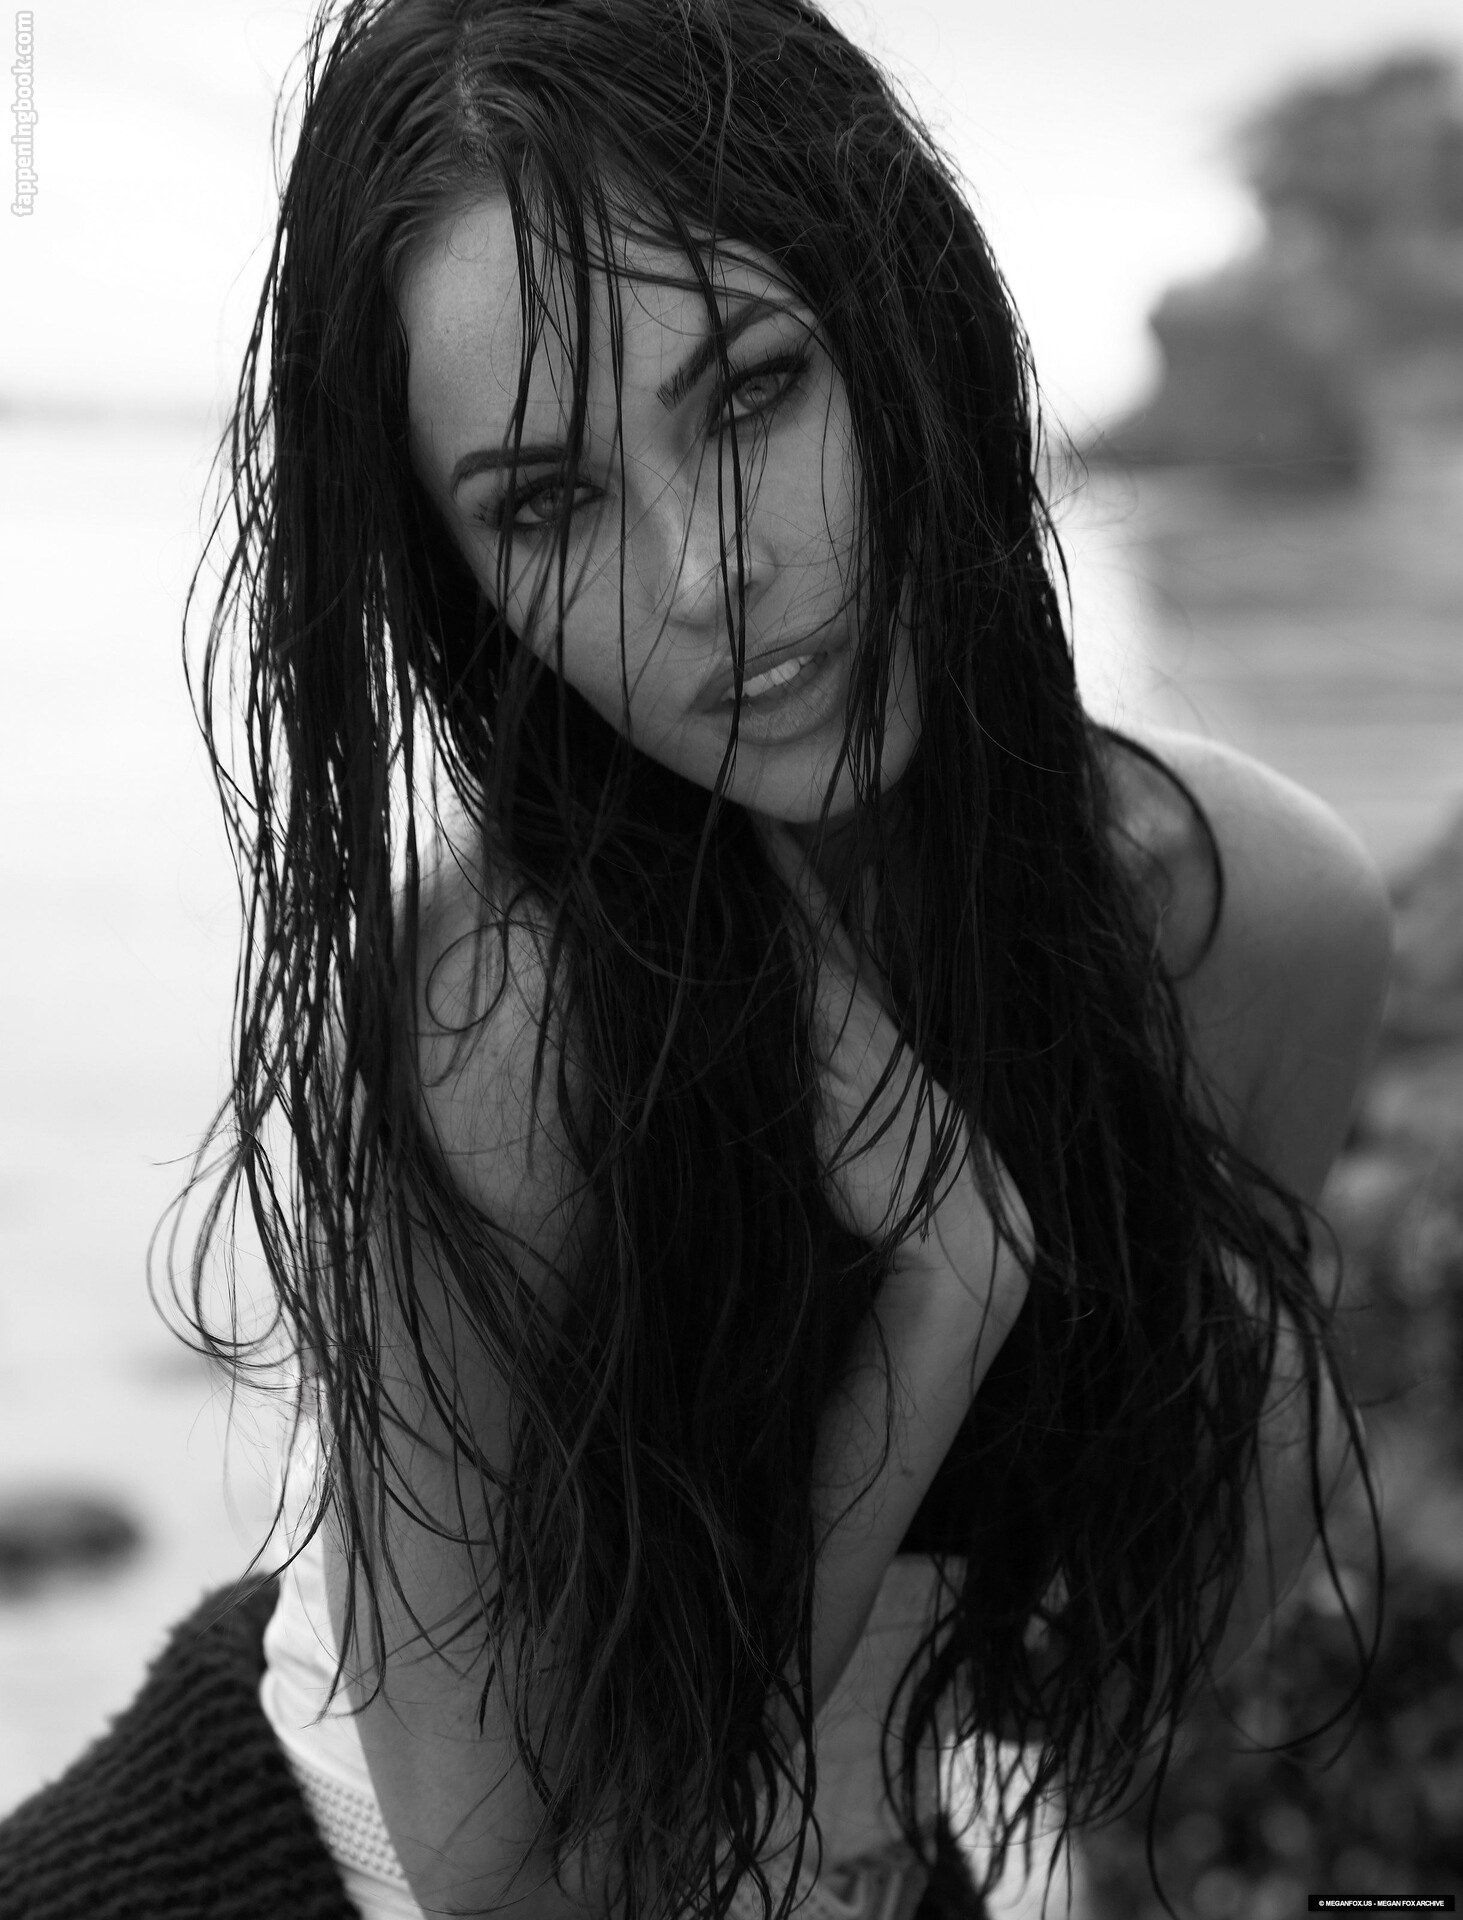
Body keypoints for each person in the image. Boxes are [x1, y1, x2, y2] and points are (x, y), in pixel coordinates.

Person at [0, 2, 1390, 1917]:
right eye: (547, 504)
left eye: (747, 395)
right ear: (466, 584)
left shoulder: (1260, 923)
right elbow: (527, 1897)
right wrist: (935, 1301)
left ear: (904, 318)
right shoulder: (499, 1014)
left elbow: (1119, 1671)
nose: (704, 575)